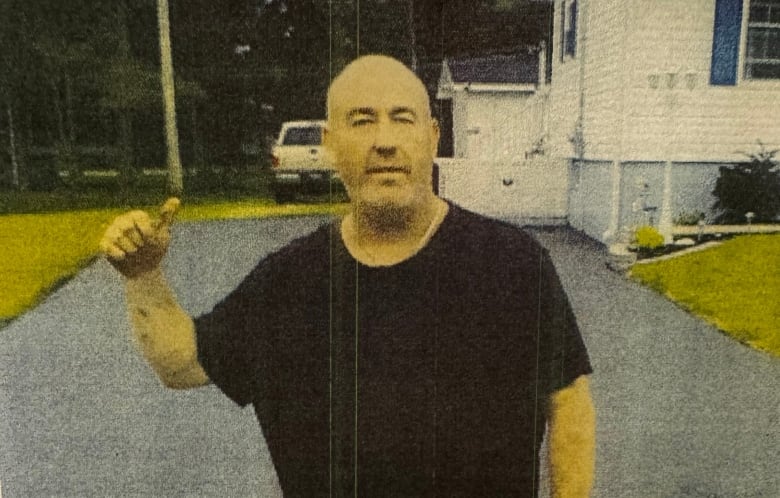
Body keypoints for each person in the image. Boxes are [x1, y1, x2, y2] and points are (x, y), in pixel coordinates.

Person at [100, 54, 595, 497]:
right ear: (331, 145)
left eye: (402, 119)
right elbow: (180, 364)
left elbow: (567, 398)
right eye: (362, 121)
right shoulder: (288, 283)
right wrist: (142, 274)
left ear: (432, 137)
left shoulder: (512, 265)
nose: (384, 141)